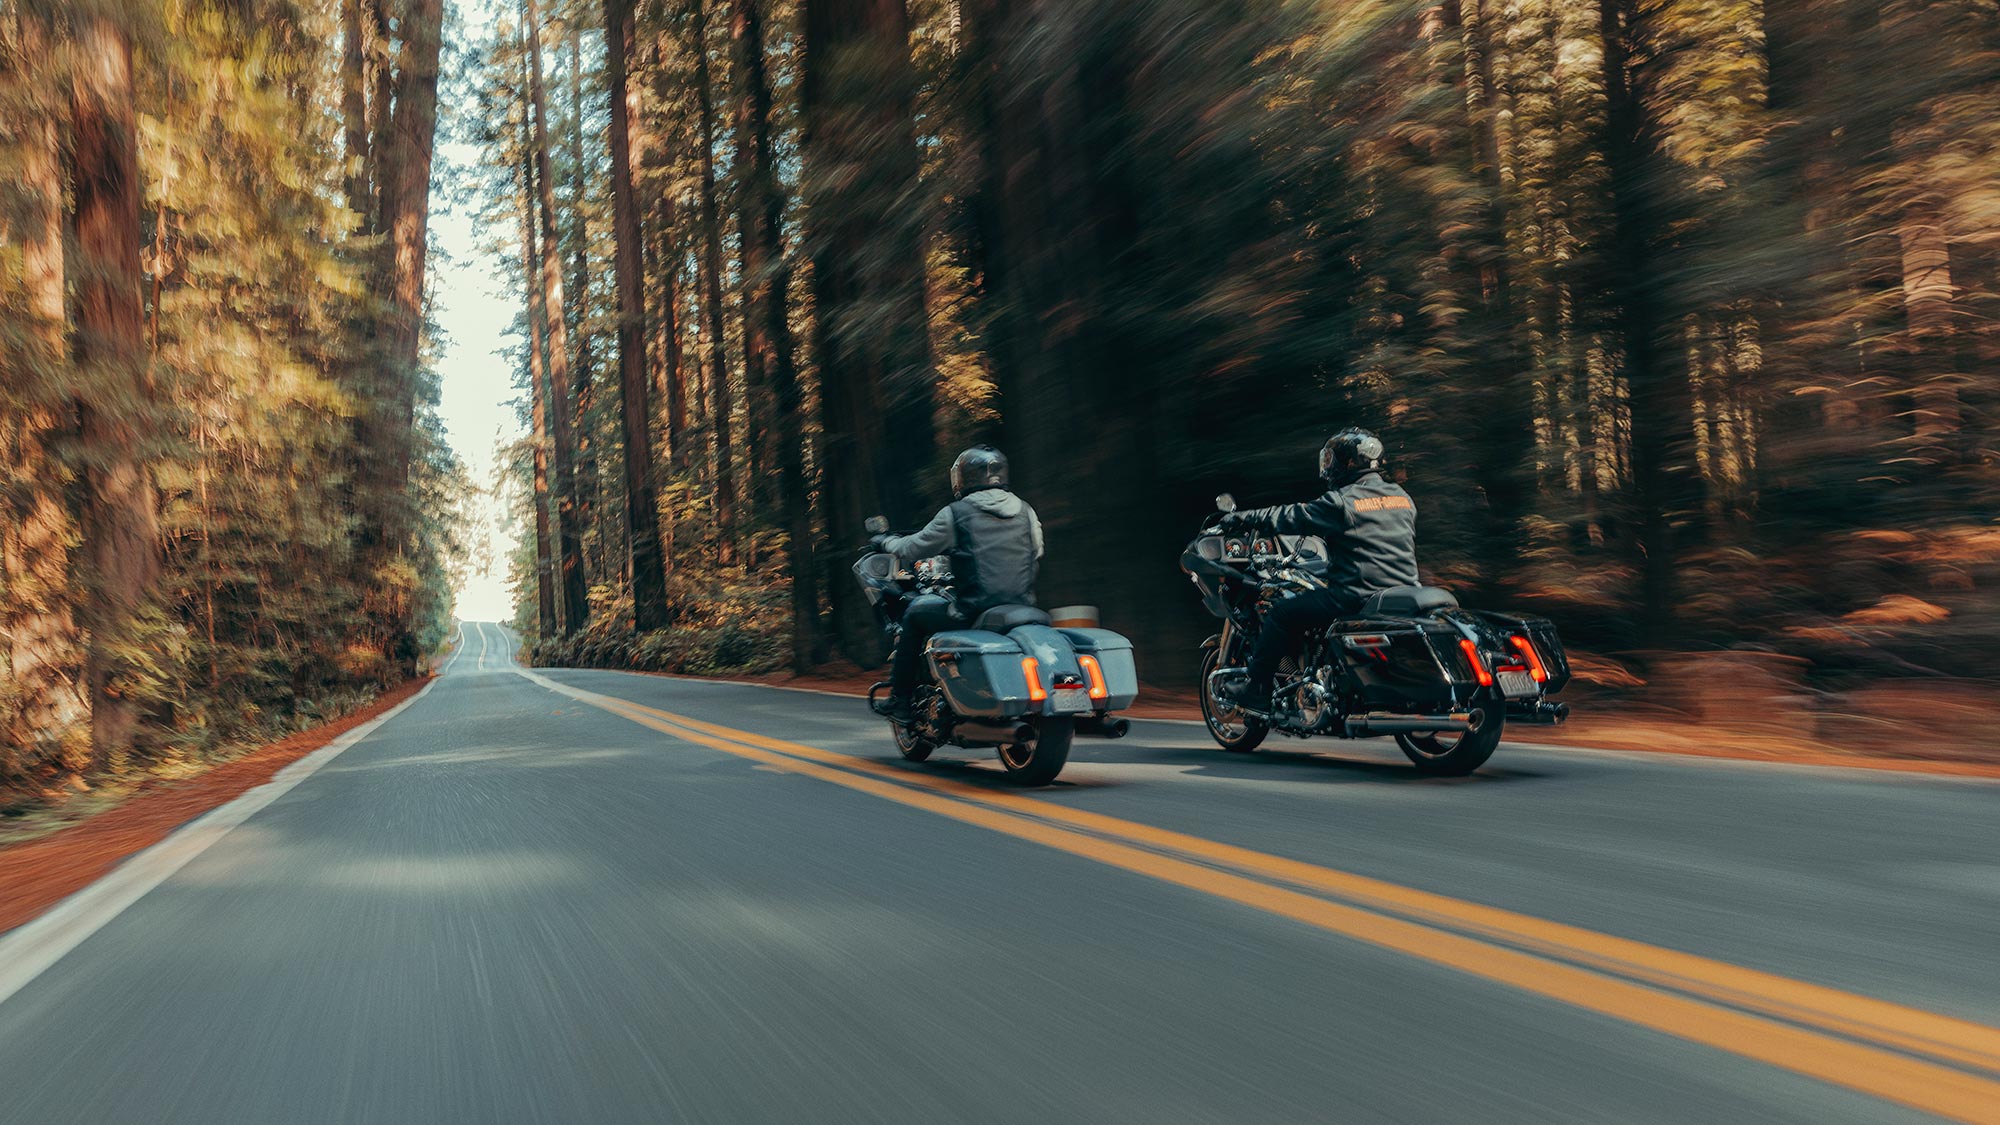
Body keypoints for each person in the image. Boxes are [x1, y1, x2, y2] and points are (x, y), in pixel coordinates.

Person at [1219, 428, 1419, 714]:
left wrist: (1241, 519)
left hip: (1354, 596)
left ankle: (1256, 691)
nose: (1330, 466)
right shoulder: (1402, 498)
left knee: (1280, 614)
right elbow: (1375, 547)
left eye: (1334, 459)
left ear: (1349, 463)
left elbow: (1290, 516)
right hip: (1400, 592)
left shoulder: (1343, 501)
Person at [876, 446, 1045, 724]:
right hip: (1021, 607)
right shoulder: (1026, 511)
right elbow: (1036, 551)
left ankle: (900, 699)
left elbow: (912, 547)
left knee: (915, 613)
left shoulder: (957, 513)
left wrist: (885, 542)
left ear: (963, 478)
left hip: (973, 609)